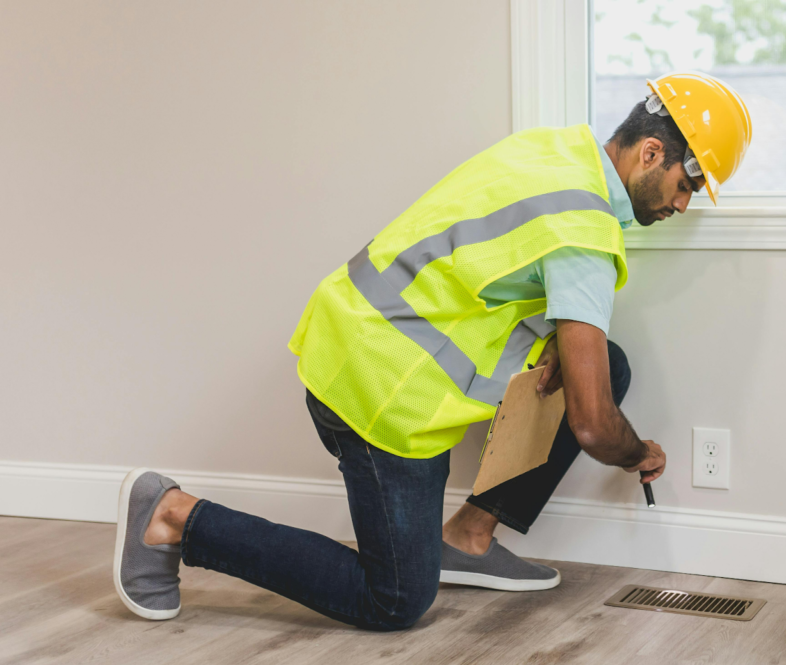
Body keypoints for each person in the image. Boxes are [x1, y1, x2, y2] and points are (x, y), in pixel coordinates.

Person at [112, 73, 751, 630]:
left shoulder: (553, 151)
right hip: (379, 388)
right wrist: (640, 452)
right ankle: (172, 516)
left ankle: (468, 538)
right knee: (394, 601)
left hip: (354, 332)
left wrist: (561, 339)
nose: (682, 204)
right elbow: (590, 423)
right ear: (651, 151)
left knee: (602, 361)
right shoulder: (584, 229)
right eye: (687, 183)